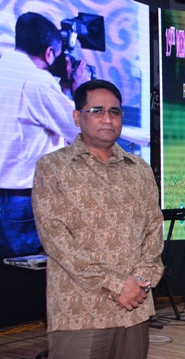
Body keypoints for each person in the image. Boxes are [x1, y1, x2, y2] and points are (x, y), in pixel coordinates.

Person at [32, 79, 164, 359]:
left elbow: (154, 229)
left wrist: (141, 279)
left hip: (133, 311)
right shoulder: (53, 168)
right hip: (81, 313)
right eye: (97, 111)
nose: (108, 118)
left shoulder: (139, 169)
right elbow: (56, 239)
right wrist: (117, 285)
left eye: (115, 112)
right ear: (78, 116)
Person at [0, 12, 89, 258]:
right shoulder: (36, 80)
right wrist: (81, 88)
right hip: (21, 201)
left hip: (8, 196)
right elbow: (80, 131)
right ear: (50, 53)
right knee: (25, 274)